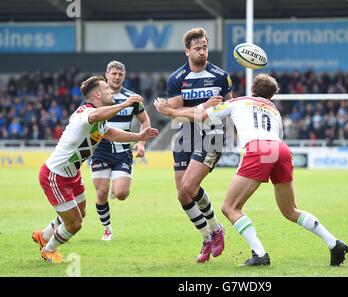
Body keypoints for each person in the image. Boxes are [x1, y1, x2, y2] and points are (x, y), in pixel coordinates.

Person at [155, 74, 348, 266]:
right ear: (271, 96)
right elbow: (277, 136)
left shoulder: (238, 102)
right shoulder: (274, 110)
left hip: (258, 148)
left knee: (230, 208)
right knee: (290, 210)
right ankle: (334, 243)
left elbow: (202, 115)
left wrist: (171, 112)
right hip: (281, 150)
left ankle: (260, 254)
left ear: (252, 89)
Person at [32, 76, 159, 264]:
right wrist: (124, 104)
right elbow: (95, 117)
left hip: (72, 174)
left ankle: (44, 235)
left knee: (80, 212)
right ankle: (48, 250)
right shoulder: (86, 112)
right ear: (97, 94)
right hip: (55, 175)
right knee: (75, 223)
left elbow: (111, 133)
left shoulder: (100, 119)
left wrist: (138, 136)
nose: (111, 91)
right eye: (107, 88)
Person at [165, 27, 232, 263]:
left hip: (212, 134)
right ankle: (206, 237)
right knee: (183, 194)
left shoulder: (221, 76)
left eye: (205, 47)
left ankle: (216, 229)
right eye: (197, 49)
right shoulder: (176, 78)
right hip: (184, 133)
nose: (203, 52)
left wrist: (194, 111)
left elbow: (228, 108)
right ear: (187, 51)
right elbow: (176, 116)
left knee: (191, 185)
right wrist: (203, 108)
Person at [90, 61, 151, 241]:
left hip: (123, 151)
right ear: (106, 75)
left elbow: (145, 121)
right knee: (101, 193)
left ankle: (117, 190)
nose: (117, 77)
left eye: (120, 74)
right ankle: (107, 229)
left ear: (124, 77)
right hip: (100, 150)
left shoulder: (132, 98)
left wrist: (141, 143)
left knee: (121, 193)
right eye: (114, 74)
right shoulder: (96, 97)